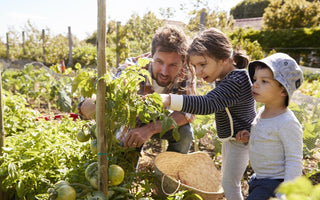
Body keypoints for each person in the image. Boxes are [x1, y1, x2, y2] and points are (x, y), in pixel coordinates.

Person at [160, 28, 256, 200]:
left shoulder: (236, 80)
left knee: (230, 184)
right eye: (195, 66)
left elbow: (207, 104)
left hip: (241, 141)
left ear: (224, 59)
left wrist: (168, 99)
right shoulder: (227, 78)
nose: (198, 72)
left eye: (203, 64)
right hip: (234, 139)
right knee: (229, 182)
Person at [78, 25, 196, 154]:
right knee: (125, 160)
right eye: (159, 62)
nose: (164, 72)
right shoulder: (133, 70)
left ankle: (169, 172)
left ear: (182, 61)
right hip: (131, 121)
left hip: (159, 119)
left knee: (185, 133)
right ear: (151, 55)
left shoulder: (186, 71)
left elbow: (188, 112)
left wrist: (150, 129)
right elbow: (113, 107)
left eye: (173, 65)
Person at [236, 53, 304, 200]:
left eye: (264, 81)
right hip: (259, 178)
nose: (255, 84)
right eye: (255, 79)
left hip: (275, 184)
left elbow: (294, 160)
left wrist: (285, 194)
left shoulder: (287, 122)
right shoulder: (262, 111)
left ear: (283, 90)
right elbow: (268, 140)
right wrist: (250, 138)